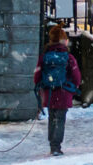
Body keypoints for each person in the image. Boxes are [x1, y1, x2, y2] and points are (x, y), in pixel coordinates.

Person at [34, 25, 82, 155]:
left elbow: (37, 75)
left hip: (49, 92)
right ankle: (56, 146)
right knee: (60, 119)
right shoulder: (68, 57)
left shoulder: (44, 56)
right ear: (63, 40)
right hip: (63, 92)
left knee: (52, 117)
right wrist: (75, 87)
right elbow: (76, 76)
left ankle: (52, 144)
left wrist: (41, 86)